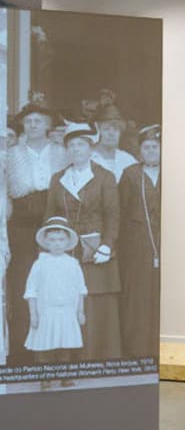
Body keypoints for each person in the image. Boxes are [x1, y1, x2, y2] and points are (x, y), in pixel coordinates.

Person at [45, 122, 121, 361]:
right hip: (65, 252)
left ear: (91, 148)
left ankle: (97, 359)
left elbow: (113, 215)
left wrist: (107, 244)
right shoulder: (58, 178)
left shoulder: (104, 177)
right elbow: (49, 216)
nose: (76, 149)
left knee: (95, 305)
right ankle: (70, 360)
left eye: (81, 144)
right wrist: (51, 248)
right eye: (71, 145)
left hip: (96, 252)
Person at [5, 102, 67, 361]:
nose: (33, 125)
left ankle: (54, 353)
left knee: (53, 282)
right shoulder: (11, 154)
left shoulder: (61, 153)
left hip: (52, 223)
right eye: (28, 121)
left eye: (38, 121)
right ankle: (23, 353)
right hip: (20, 225)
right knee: (24, 284)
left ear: (48, 125)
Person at [118, 125, 161, 358]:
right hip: (137, 245)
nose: (151, 151)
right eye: (146, 147)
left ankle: (160, 346)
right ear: (140, 151)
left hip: (165, 243)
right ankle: (137, 350)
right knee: (138, 297)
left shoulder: (170, 172)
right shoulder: (130, 174)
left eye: (155, 146)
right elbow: (121, 212)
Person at [24, 216, 87, 359]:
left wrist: (80, 311)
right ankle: (46, 372)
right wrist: (33, 314)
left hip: (67, 313)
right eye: (52, 240)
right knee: (45, 350)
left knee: (64, 350)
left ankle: (64, 370)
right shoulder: (40, 264)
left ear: (68, 241)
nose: (57, 244)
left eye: (61, 240)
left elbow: (80, 289)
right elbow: (31, 291)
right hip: (46, 314)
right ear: (46, 242)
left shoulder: (73, 264)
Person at [91, 104, 137, 182]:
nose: (111, 133)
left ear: (120, 133)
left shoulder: (128, 160)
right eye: (106, 129)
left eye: (116, 130)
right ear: (99, 130)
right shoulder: (88, 158)